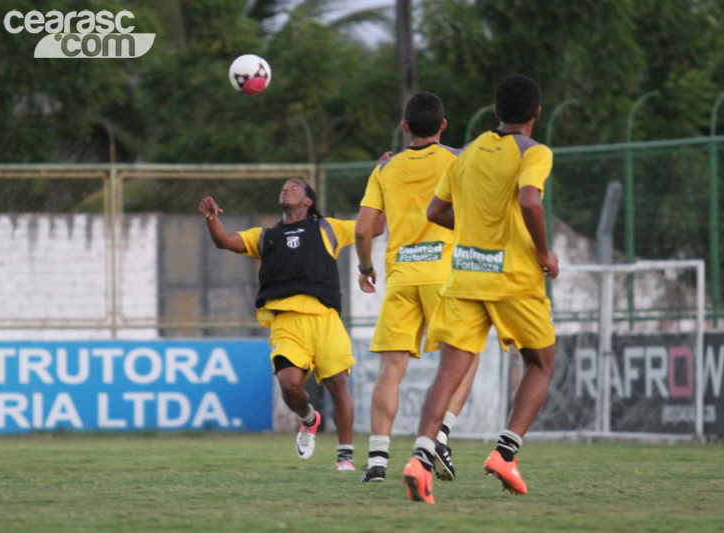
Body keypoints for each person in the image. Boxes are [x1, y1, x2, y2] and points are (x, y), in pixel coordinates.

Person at [402, 74, 560, 504]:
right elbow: (530, 200)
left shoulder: (467, 154)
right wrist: (544, 253)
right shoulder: (535, 151)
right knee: (541, 364)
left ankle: (419, 459)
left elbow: (436, 210)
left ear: (495, 112)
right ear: (537, 114)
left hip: (466, 273)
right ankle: (505, 454)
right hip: (513, 278)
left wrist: (472, 229)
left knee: (448, 373)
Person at [199, 179, 380, 471]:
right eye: (284, 186)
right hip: (287, 322)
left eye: (294, 186)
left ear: (308, 200)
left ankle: (345, 458)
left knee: (338, 385)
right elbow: (224, 241)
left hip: (325, 319)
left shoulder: (327, 228)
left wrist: (381, 187)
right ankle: (309, 418)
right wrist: (211, 218)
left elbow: (372, 228)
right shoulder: (266, 236)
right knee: (289, 384)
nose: (286, 188)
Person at [355, 92, 479, 483]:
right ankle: (438, 436)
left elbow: (363, 229)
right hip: (446, 275)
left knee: (391, 368)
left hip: (401, 276)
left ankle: (377, 460)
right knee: (465, 358)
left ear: (404, 127)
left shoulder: (385, 169)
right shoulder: (456, 160)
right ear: (442, 125)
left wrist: (365, 267)